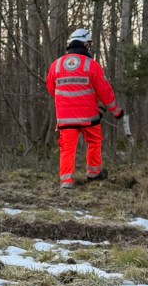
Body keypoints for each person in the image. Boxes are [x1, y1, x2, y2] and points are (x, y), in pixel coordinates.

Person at [45, 28, 124, 188]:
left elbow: (50, 88)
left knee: (67, 148)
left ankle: (66, 182)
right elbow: (105, 91)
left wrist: (66, 103)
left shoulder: (56, 65)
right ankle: (93, 175)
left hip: (65, 117)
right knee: (94, 141)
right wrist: (116, 111)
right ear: (86, 45)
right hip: (89, 117)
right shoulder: (91, 65)